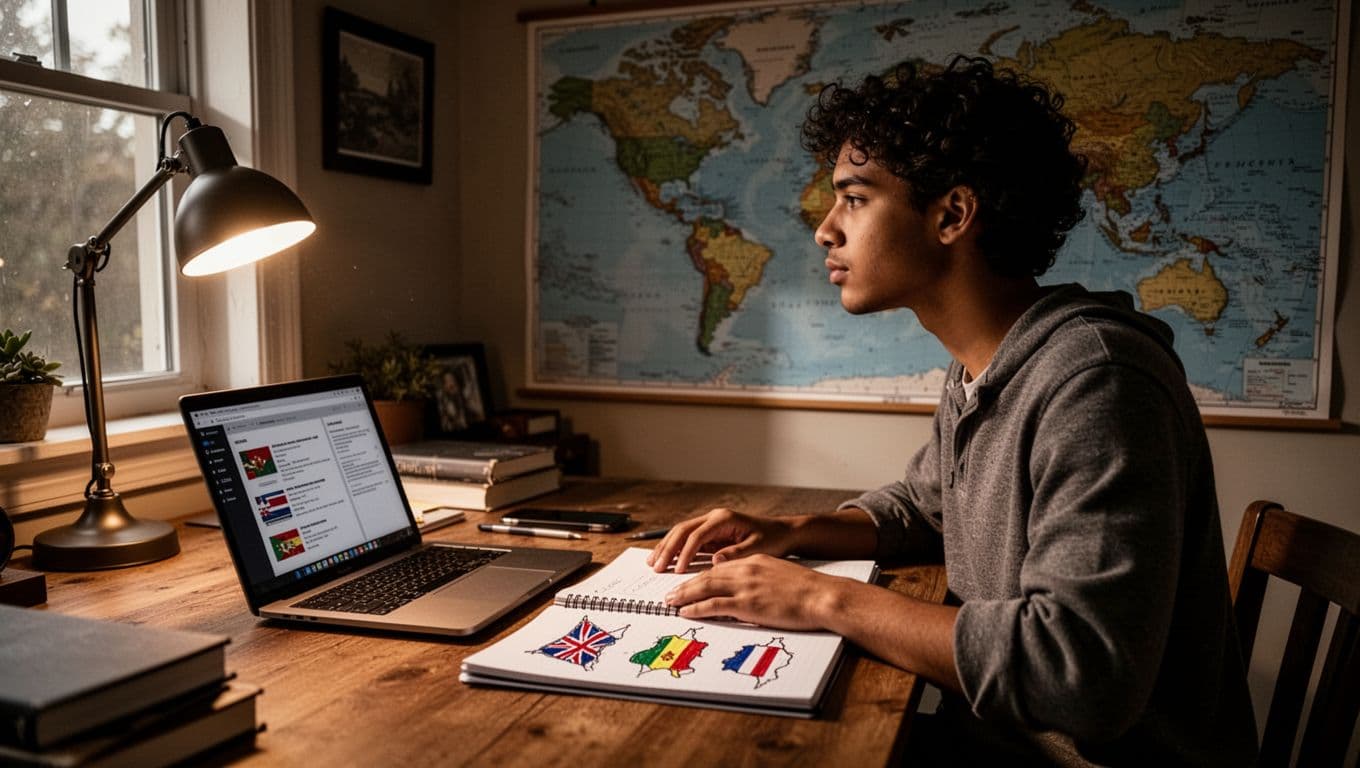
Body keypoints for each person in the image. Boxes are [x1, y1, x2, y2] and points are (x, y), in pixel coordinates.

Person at [650, 56, 1257, 766]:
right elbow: (929, 505)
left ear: (952, 214)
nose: (825, 230)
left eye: (854, 197)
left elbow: (1079, 675)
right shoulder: (990, 361)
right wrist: (791, 530)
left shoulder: (1097, 382)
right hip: (996, 737)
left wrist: (821, 600)